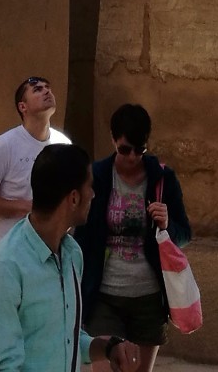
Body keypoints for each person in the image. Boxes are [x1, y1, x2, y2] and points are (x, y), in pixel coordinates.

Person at [0, 143, 140, 372]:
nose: (93, 195)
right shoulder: (5, 268)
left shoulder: (72, 253)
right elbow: (3, 367)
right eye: (90, 187)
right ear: (73, 198)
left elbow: (67, 339)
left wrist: (109, 349)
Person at [75, 105, 190, 372]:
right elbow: (81, 235)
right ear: (113, 140)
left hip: (148, 298)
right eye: (125, 149)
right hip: (103, 295)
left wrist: (167, 226)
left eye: (140, 150)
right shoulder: (97, 176)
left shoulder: (162, 178)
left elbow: (185, 234)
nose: (132, 157)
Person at [0, 77, 70, 250]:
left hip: (49, 252)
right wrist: (32, 208)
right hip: (11, 254)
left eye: (48, 87)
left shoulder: (64, 145)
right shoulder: (6, 144)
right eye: (37, 89)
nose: (47, 91)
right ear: (23, 107)